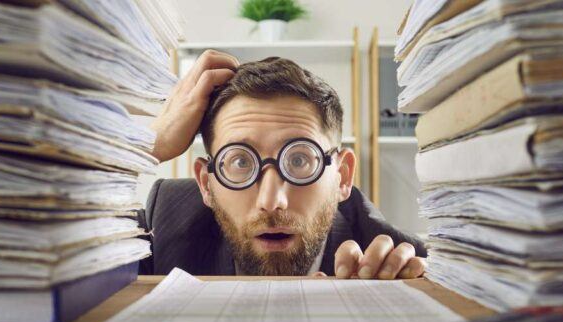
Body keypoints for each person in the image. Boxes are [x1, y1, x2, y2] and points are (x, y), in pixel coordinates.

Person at [137, 50, 426, 279]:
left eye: (299, 160)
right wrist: (144, 147)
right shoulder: (166, 221)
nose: (272, 201)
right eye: (240, 161)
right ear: (205, 184)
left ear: (342, 176)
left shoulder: (396, 262)